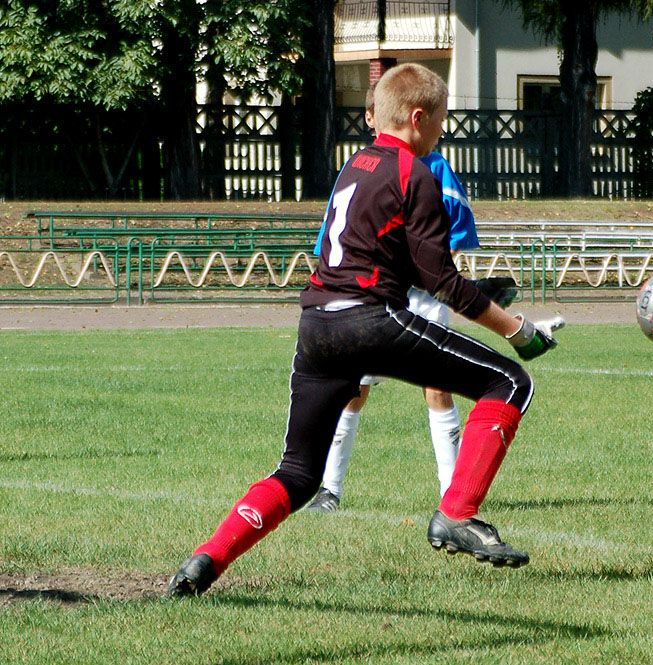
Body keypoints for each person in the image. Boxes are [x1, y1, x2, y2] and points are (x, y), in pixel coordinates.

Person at [167, 63, 561, 597]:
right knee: (511, 381)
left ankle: (205, 562)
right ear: (419, 117)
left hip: (316, 326)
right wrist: (516, 330)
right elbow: (439, 280)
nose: (443, 132)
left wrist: (483, 289)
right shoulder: (416, 173)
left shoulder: (356, 164)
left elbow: (397, 260)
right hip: (369, 320)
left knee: (299, 473)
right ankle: (457, 514)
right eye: (441, 120)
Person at [306, 88, 510, 511]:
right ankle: (329, 489)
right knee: (353, 391)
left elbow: (453, 234)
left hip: (422, 298)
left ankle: (451, 490)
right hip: (373, 300)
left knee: (438, 388)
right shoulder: (365, 166)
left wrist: (441, 277)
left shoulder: (433, 168)